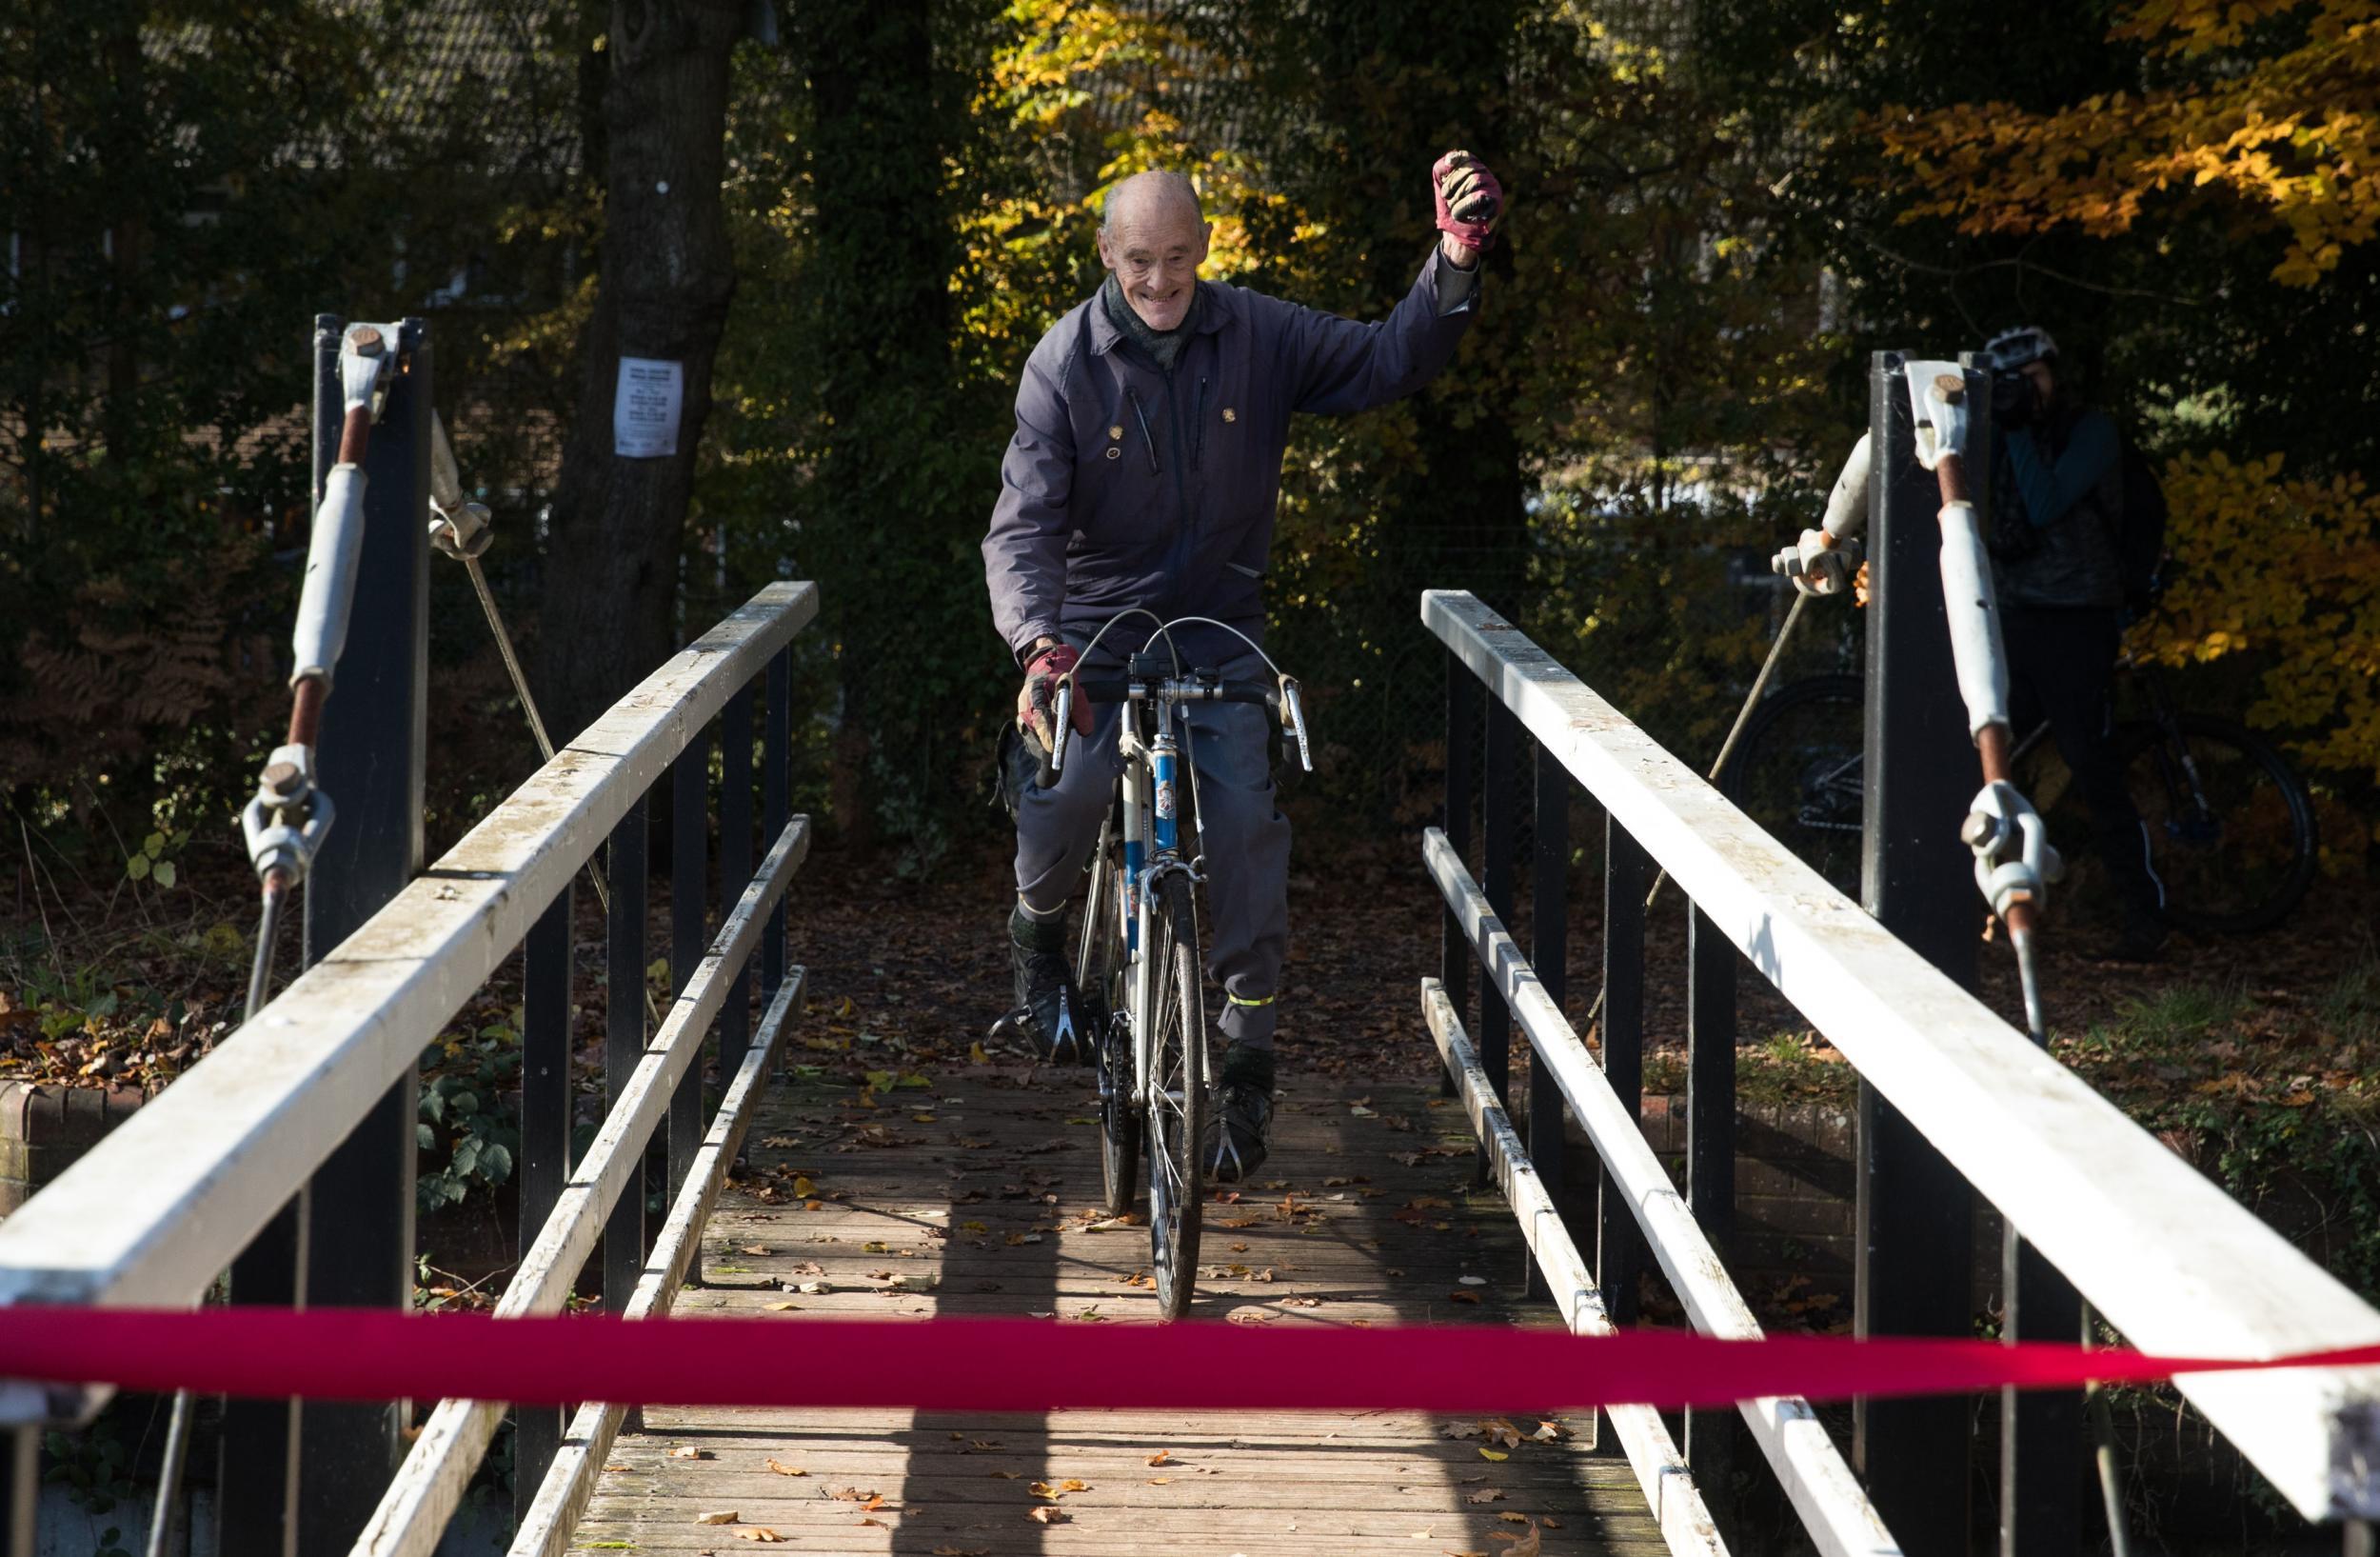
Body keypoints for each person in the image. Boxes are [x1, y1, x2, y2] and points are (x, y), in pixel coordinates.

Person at [981, 154, 1504, 1180]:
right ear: (1104, 255)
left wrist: (1452, 260)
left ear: (1205, 250)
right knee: (1062, 789)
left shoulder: (1257, 335)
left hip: (1221, 626)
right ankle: (1038, 942)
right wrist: (1039, 643)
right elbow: (1024, 523)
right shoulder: (1063, 363)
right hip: (1092, 626)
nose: (1160, 282)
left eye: (1178, 259)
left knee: (1250, 836)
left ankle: (1248, 1064)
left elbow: (1386, 359)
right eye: (1139, 260)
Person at [1979, 325, 2166, 961]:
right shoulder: (1997, 434)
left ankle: (2145, 917)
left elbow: (2043, 503)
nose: (2026, 390)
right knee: (1979, 758)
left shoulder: (2091, 433)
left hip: (2077, 619)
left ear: (2056, 374)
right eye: (2012, 381)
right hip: (2012, 616)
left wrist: (2016, 428)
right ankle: (1988, 903)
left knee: (2092, 764)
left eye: (2036, 376)